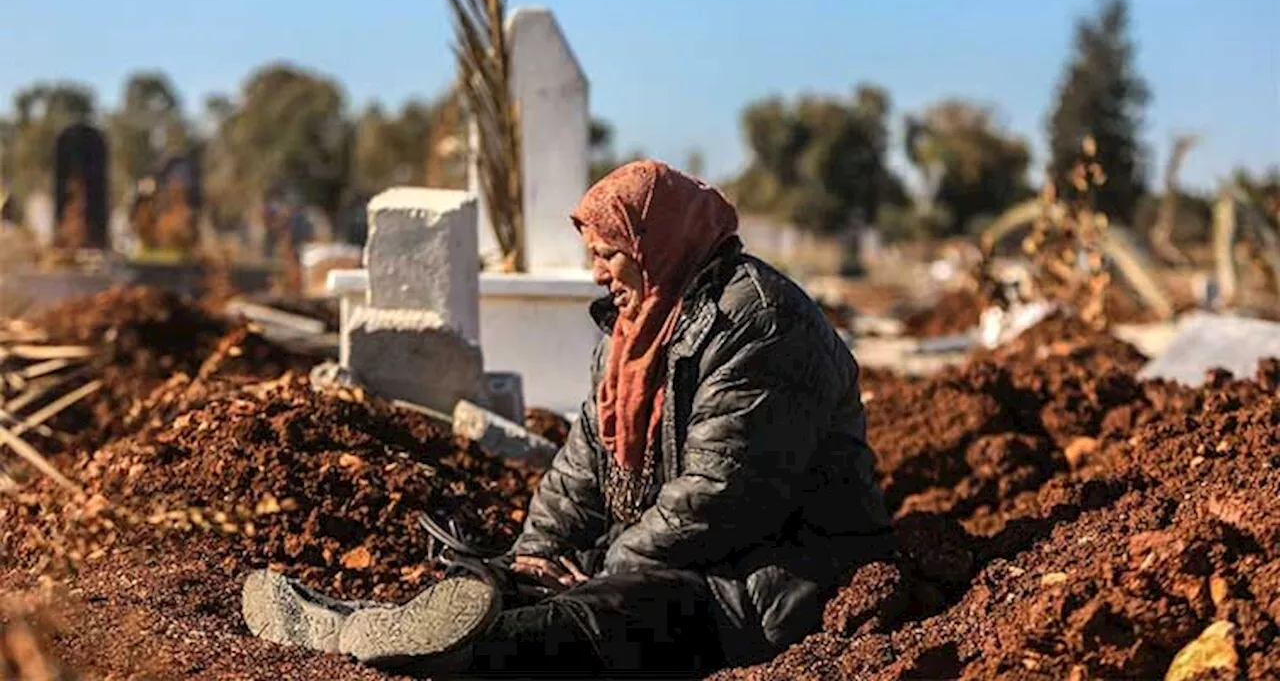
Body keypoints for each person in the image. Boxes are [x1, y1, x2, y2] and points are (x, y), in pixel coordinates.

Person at [242, 159, 894, 678]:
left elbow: (723, 495)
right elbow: (581, 465)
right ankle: (356, 624)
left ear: (656, 241)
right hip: (668, 553)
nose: (597, 274)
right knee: (505, 578)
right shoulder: (636, 326)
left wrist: (606, 565)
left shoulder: (760, 324)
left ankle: (420, 652)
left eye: (609, 253)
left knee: (602, 612)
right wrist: (536, 555)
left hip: (756, 582)